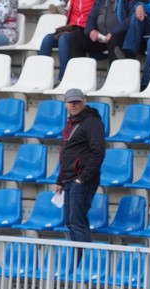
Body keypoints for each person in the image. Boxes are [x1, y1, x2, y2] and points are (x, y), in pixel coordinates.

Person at [56, 88, 105, 244]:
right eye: (70, 102)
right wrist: (60, 179)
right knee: (71, 222)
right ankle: (78, 263)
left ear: (84, 102)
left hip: (81, 181)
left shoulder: (91, 122)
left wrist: (82, 178)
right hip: (69, 179)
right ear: (65, 104)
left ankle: (83, 265)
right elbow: (66, 152)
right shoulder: (72, 122)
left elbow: (98, 152)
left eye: (76, 102)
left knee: (77, 222)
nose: (73, 105)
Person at [66, 0, 136, 74]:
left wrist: (113, 32)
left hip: (119, 37)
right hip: (101, 38)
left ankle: (115, 79)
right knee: (76, 38)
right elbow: (91, 17)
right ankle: (77, 77)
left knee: (115, 40)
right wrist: (91, 30)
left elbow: (132, 17)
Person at [38, 0, 96, 81]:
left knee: (63, 39)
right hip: (71, 28)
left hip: (84, 31)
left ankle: (63, 79)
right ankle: (39, 78)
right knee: (47, 39)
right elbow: (68, 9)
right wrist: (60, 10)